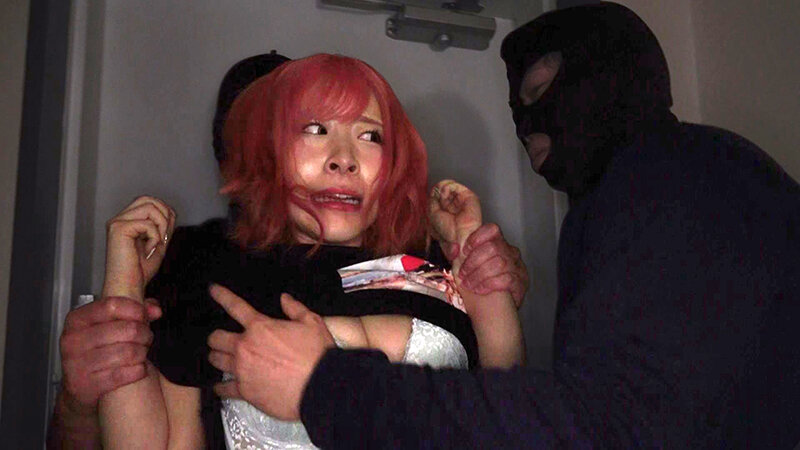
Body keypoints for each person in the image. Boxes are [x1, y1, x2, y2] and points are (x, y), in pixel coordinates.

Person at [226, 3, 800, 448]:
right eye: (314, 129)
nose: (525, 125)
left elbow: (600, 421)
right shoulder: (213, 265)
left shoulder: (673, 180)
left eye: (370, 135)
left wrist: (328, 387)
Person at [48, 52, 530, 449]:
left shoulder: (426, 270)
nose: (344, 159)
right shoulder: (211, 286)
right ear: (266, 154)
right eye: (315, 129)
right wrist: (125, 282)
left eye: (370, 136)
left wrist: (473, 254)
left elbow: (511, 406)